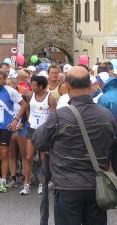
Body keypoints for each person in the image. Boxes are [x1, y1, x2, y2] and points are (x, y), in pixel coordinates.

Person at [32, 66, 116, 225]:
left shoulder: (60, 116)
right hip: (97, 186)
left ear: (67, 86)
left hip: (67, 186)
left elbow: (38, 141)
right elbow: (111, 145)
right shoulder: (106, 115)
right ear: (90, 86)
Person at [20, 75, 56, 195]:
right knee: (29, 156)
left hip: (44, 131)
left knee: (43, 159)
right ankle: (26, 184)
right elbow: (28, 109)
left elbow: (53, 116)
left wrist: (47, 128)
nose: (32, 87)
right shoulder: (31, 96)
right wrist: (31, 120)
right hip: (32, 129)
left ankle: (42, 183)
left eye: (34, 85)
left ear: (41, 86)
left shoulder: (50, 98)